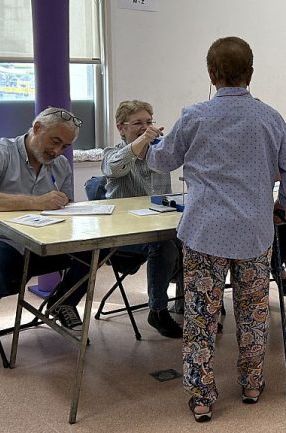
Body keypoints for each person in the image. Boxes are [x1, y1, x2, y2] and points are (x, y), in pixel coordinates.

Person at [136, 36, 286, 422]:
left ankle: (201, 397)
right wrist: (283, 205)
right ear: (250, 73)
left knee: (200, 317)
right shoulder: (270, 117)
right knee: (252, 311)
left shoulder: (194, 115)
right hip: (254, 231)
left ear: (211, 74)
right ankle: (251, 383)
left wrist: (146, 141)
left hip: (204, 232)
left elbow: (162, 161)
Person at [0, 107, 92, 364]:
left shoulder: (60, 165)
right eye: (55, 141)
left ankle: (62, 302)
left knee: (92, 253)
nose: (57, 151)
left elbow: (66, 206)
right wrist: (36, 202)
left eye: (64, 146)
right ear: (37, 128)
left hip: (42, 240)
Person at [101, 100, 183, 338]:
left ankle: (186, 303)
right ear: (121, 128)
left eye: (149, 122)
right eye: (137, 123)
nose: (145, 127)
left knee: (194, 242)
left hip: (160, 226)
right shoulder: (111, 154)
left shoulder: (159, 155)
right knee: (164, 247)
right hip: (125, 234)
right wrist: (143, 139)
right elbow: (115, 167)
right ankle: (157, 310)